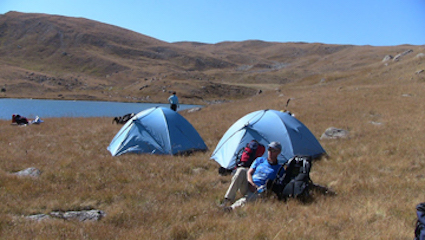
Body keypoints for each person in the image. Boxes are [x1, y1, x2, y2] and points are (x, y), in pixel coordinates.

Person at [221, 141, 283, 211]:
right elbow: (249, 173)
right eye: (269, 149)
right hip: (248, 184)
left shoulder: (279, 169)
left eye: (274, 150)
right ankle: (228, 199)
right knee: (241, 170)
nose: (270, 152)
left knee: (251, 197)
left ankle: (231, 208)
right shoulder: (260, 160)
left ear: (278, 152)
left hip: (260, 191)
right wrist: (251, 183)